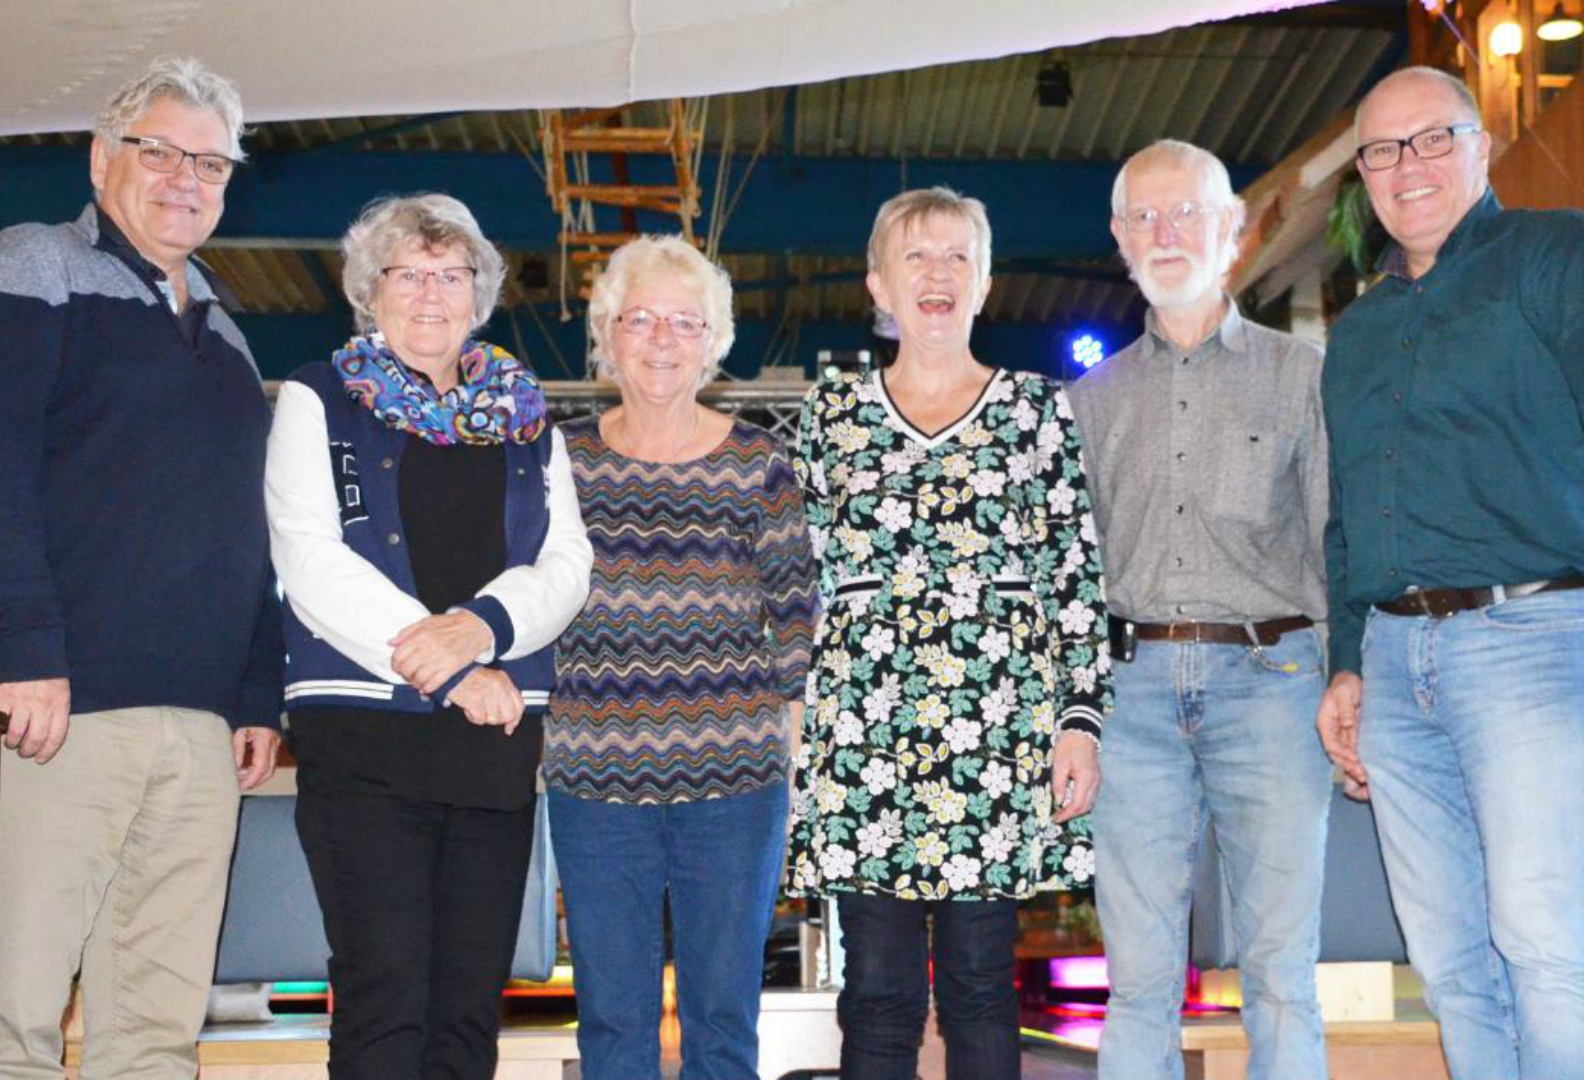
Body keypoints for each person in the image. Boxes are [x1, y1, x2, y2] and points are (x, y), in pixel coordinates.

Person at [1318, 66, 1584, 1080]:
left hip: (1536, 642)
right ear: (1362, 177)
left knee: (1547, 944)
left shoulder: (1561, 256)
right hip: (1394, 660)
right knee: (1451, 962)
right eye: (1381, 150)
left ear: (1481, 142)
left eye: (1429, 139)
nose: (1406, 167)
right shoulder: (1358, 334)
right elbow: (1346, 516)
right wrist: (1344, 659)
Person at [0, 56, 282, 1080]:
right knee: (12, 1018)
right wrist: (26, 650)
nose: (186, 178)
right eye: (161, 151)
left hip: (199, 727)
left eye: (210, 164)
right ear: (101, 158)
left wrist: (254, 690)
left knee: (156, 1033)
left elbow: (247, 524)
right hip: (61, 707)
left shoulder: (227, 331)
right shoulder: (28, 267)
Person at [786, 186, 1111, 1080]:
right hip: (863, 741)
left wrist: (1079, 720)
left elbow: (1076, 579)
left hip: (996, 736)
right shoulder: (830, 416)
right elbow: (792, 584)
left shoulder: (1038, 412)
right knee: (878, 996)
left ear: (985, 281)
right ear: (877, 286)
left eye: (956, 256)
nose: (936, 275)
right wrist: (790, 721)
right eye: (915, 258)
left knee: (977, 987)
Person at [264, 193, 591, 1080]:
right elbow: (307, 556)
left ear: (479, 293)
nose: (429, 294)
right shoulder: (317, 395)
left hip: (492, 741)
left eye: (450, 275)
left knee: (464, 1017)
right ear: (370, 290)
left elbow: (566, 562)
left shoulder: (526, 413)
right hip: (365, 737)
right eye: (407, 273)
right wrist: (444, 668)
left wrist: (484, 630)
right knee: (384, 1002)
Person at [1069, 138, 1331, 1080]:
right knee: (1137, 979)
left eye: (1187, 212)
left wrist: (1344, 684)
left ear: (1230, 232)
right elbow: (1069, 583)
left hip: (1274, 685)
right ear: (1118, 237)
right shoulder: (1086, 405)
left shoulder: (1301, 376)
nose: (1165, 231)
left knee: (1278, 970)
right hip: (1130, 698)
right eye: (1144, 215)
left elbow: (1330, 543)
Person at [546, 235, 817, 1079]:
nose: (661, 340)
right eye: (640, 320)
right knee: (611, 1022)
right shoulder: (561, 459)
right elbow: (529, 602)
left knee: (723, 1021)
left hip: (734, 787)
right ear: (607, 334)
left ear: (713, 341)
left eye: (683, 322)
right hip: (593, 783)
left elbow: (796, 614)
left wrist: (791, 741)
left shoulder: (758, 463)